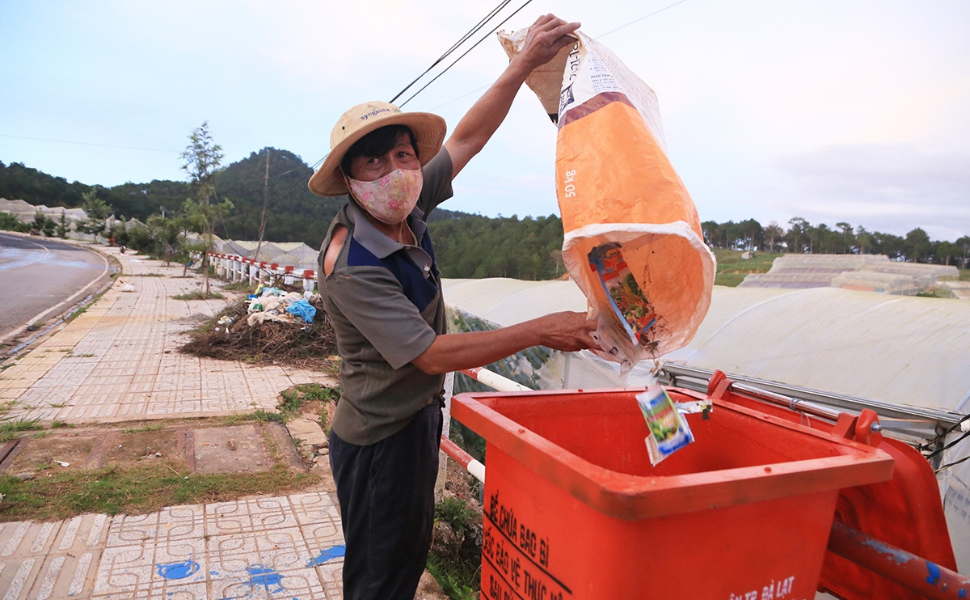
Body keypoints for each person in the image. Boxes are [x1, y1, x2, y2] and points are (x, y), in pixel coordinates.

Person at [308, 14, 594, 600]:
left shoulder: (406, 208)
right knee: (379, 577)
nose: (396, 172)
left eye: (404, 155)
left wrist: (521, 65)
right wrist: (541, 328)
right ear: (350, 180)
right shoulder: (353, 262)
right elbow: (432, 356)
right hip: (380, 439)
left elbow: (468, 137)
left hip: (414, 423)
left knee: (405, 560)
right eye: (375, 163)